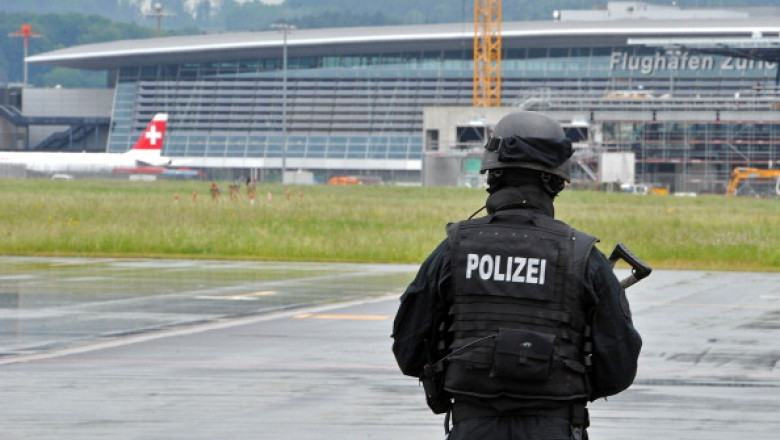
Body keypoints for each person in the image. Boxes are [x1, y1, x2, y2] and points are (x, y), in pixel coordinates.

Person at [392, 111, 642, 440]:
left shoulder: (453, 250)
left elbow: (410, 350)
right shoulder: (582, 256)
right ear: (557, 181)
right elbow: (618, 368)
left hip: (472, 426)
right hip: (556, 426)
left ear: (492, 176)